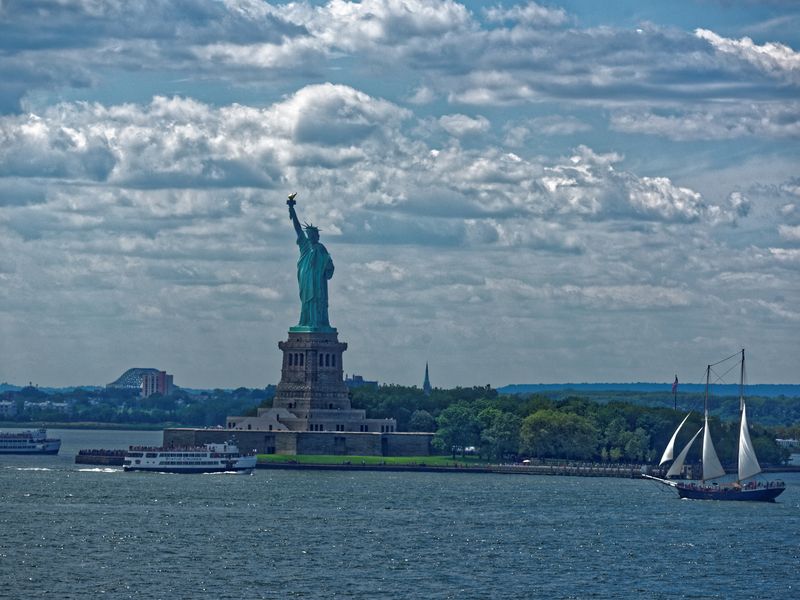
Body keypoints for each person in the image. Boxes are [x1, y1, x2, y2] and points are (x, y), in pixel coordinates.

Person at [287, 195, 334, 330]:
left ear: (317, 236)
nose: (310, 236)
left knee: (317, 300)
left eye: (313, 234)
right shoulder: (305, 244)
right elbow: (297, 228)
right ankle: (306, 321)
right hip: (306, 277)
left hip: (318, 280)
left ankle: (317, 323)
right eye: (309, 234)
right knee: (307, 300)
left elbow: (329, 264)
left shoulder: (321, 248)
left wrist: (328, 267)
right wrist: (292, 209)